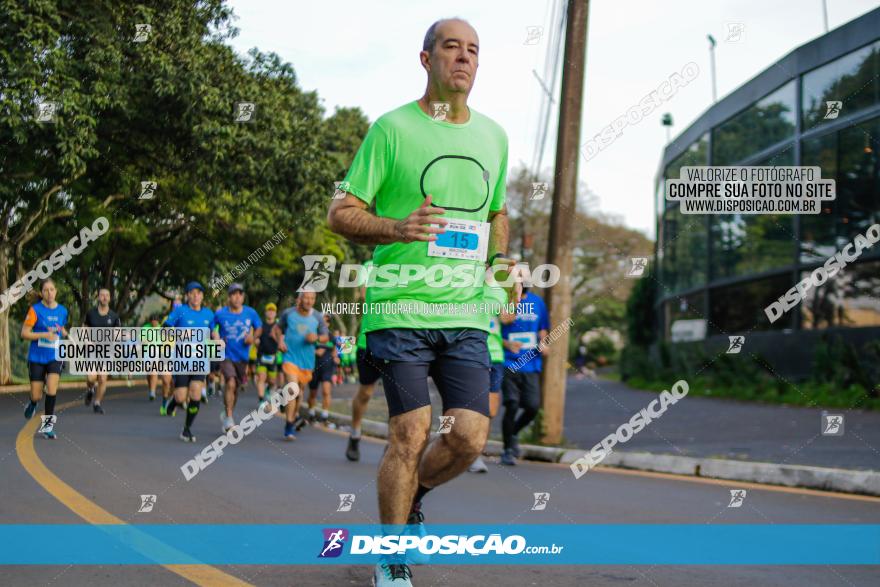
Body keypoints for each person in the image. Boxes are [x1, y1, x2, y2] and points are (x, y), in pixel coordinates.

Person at [326, 18, 515, 586]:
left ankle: (413, 497)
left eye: (473, 50)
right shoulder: (391, 130)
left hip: (465, 315)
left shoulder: (494, 137)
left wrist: (502, 268)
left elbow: (498, 213)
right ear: (426, 58)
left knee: (468, 438)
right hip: (400, 310)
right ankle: (391, 557)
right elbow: (340, 212)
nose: (463, 58)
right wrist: (395, 226)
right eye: (451, 47)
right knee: (410, 432)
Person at [499, 286, 549, 466]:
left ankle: (513, 433)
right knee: (512, 404)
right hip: (508, 362)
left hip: (531, 363)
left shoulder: (538, 302)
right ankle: (507, 451)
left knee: (532, 407)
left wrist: (544, 343)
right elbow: (492, 327)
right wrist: (505, 343)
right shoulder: (502, 299)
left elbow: (543, 328)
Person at [163, 281, 215, 442]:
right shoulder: (180, 311)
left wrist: (216, 339)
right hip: (182, 361)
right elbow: (165, 328)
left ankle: (187, 429)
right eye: (192, 293)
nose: (195, 296)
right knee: (180, 398)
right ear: (187, 296)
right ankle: (174, 401)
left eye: (198, 293)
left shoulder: (208, 314)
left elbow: (214, 333)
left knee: (195, 392)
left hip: (200, 360)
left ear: (202, 296)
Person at [273, 290, 328, 440]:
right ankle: (289, 425)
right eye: (306, 298)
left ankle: (293, 416)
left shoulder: (317, 317)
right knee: (292, 389)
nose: (309, 301)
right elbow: (277, 329)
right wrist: (280, 341)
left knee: (299, 394)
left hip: (307, 361)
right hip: (290, 357)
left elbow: (325, 336)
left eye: (312, 298)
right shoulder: (288, 314)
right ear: (300, 298)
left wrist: (316, 337)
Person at [21, 279, 68, 439]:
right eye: (46, 290)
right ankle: (33, 403)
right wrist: (43, 334)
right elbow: (25, 333)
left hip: (55, 355)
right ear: (41, 293)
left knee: (52, 388)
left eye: (52, 289)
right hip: (37, 356)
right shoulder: (35, 310)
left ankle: (47, 427)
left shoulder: (62, 311)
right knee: (36, 395)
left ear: (56, 291)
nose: (50, 293)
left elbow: (61, 327)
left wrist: (63, 332)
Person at [468, 283, 508, 473]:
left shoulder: (498, 287)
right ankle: (465, 451)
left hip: (495, 355)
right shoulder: (466, 284)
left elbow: (508, 318)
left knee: (490, 410)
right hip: (470, 353)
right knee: (466, 406)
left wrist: (513, 292)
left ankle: (476, 451)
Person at [213, 283, 262, 433]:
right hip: (226, 355)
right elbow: (212, 328)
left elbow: (259, 328)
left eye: (240, 294)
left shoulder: (251, 313)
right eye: (234, 294)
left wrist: (253, 337)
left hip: (242, 357)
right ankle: (228, 418)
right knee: (231, 382)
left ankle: (228, 414)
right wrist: (216, 338)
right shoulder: (220, 314)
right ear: (229, 297)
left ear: (243, 297)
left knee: (235, 390)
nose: (237, 297)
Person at [82, 288, 121, 414]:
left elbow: (118, 334)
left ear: (110, 298)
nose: (104, 297)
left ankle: (97, 403)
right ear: (98, 297)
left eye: (107, 295)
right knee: (91, 377)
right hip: (92, 350)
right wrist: (87, 341)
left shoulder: (114, 316)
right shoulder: (91, 313)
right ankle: (90, 390)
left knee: (103, 378)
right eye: (102, 295)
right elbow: (84, 329)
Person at [307, 313, 336, 424]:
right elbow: (305, 349)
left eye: (327, 321)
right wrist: (316, 352)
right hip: (314, 367)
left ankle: (325, 416)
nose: (325, 323)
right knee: (313, 393)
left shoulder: (331, 336)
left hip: (327, 368)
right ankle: (311, 413)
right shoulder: (313, 335)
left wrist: (335, 357)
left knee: (326, 391)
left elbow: (336, 349)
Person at [142, 316, 172, 402]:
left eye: (156, 321)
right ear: (150, 321)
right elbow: (142, 340)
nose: (154, 322)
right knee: (149, 373)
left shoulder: (161, 328)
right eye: (153, 320)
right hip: (147, 352)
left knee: (153, 371)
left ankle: (152, 392)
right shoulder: (145, 328)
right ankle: (151, 387)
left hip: (158, 352)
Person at [255, 303, 280, 406]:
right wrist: (256, 341)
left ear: (275, 313)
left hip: (273, 356)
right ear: (265, 313)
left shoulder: (278, 327)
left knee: (272, 381)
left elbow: (281, 342)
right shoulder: (261, 325)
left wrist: (274, 336)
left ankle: (268, 390)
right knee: (261, 378)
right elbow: (255, 337)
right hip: (262, 355)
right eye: (269, 310)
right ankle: (261, 401)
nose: (270, 312)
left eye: (272, 311)